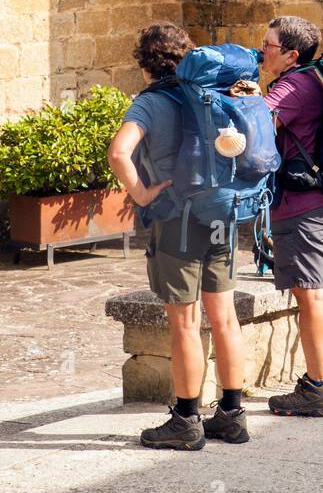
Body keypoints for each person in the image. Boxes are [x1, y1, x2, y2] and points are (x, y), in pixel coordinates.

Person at [107, 22, 249, 450]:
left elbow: (118, 152)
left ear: (144, 62)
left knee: (185, 323)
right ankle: (231, 415)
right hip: (222, 214)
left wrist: (142, 192)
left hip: (178, 221)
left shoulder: (149, 103)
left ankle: (186, 419)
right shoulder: (210, 94)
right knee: (224, 319)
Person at [260, 16, 323, 418]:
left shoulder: (293, 86)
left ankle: (315, 389)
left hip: (301, 207)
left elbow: (255, 127)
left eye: (268, 45)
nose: (262, 51)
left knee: (309, 294)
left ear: (291, 54)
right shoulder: (315, 78)